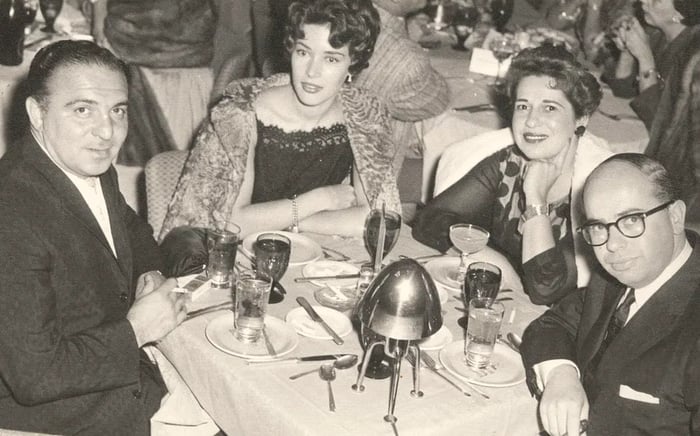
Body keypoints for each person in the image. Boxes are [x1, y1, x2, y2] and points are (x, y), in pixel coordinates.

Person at [0, 41, 186, 434]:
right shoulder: (11, 213)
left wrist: (149, 272)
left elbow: (133, 230)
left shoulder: (86, 163)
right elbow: (35, 377)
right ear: (37, 112)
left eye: (117, 111)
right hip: (59, 418)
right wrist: (137, 329)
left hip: (117, 376)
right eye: (82, 109)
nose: (107, 132)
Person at [159, 0, 400, 247]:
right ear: (291, 50)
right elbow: (232, 225)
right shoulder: (241, 115)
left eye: (331, 59)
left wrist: (293, 221)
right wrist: (317, 200)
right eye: (304, 52)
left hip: (311, 252)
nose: (312, 72)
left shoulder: (363, 116)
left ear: (353, 62)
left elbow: (377, 219)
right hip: (234, 257)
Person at [412, 44, 611, 305]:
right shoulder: (510, 163)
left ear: (581, 118)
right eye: (522, 106)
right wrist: (495, 260)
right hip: (505, 304)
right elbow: (430, 222)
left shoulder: (596, 186)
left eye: (549, 108)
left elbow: (546, 290)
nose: (530, 121)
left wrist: (535, 198)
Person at [520, 153, 699, 436]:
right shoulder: (613, 279)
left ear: (675, 217)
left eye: (630, 220)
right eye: (598, 227)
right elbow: (552, 325)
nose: (612, 245)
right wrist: (561, 375)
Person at [355, 0, 449, 172]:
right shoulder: (406, 58)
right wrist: (408, 43)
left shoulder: (343, 14)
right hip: (370, 181)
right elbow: (438, 100)